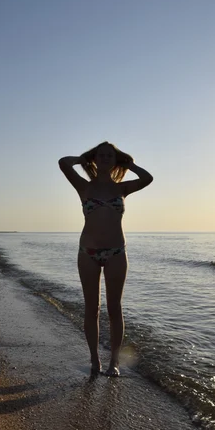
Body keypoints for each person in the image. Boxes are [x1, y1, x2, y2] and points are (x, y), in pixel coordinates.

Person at [58, 142, 153, 376]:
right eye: (101, 155)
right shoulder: (83, 187)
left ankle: (114, 363)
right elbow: (63, 162)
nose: (105, 158)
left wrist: (129, 164)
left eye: (110, 155)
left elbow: (148, 178)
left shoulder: (122, 189)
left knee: (114, 309)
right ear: (95, 158)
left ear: (115, 160)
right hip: (87, 253)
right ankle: (94, 360)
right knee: (92, 308)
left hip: (116, 253)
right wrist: (84, 159)